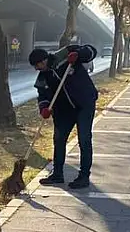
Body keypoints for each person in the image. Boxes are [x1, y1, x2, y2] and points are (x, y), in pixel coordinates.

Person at [29, 43, 99, 189]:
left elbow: (91, 51)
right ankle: (57, 174)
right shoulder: (43, 77)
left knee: (84, 139)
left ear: (44, 60)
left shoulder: (65, 55)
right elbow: (42, 95)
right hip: (63, 110)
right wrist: (44, 108)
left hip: (84, 103)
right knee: (59, 139)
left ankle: (84, 176)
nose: (37, 69)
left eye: (37, 65)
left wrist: (78, 55)